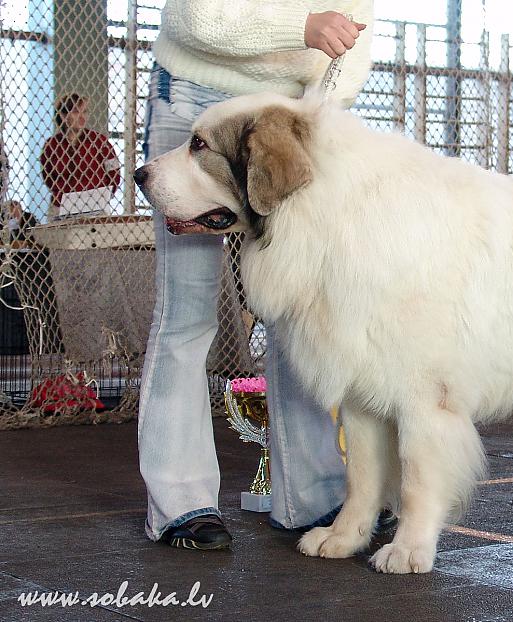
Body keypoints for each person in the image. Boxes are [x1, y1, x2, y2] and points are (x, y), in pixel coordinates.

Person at [138, 0, 375, 550]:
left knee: (299, 317)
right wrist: (303, 27)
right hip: (196, 97)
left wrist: (316, 114)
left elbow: (357, 38)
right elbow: (194, 17)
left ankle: (314, 497)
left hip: (284, 117)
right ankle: (180, 504)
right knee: (187, 314)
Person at [39, 93, 121, 221]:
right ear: (63, 115)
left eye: (85, 112)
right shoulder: (52, 145)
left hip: (95, 205)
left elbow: (114, 172)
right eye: (76, 112)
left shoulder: (99, 141)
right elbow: (48, 176)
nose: (82, 117)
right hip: (62, 207)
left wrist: (103, 196)